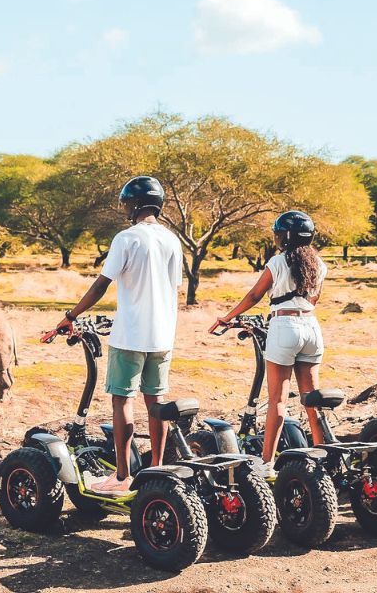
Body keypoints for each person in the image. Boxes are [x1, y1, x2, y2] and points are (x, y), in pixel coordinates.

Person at [55, 175, 183, 494]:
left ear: (135, 204)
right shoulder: (172, 240)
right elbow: (174, 287)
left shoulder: (126, 238)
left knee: (122, 401)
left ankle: (123, 476)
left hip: (130, 335)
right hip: (162, 336)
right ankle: (155, 471)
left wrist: (70, 316)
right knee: (156, 403)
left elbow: (101, 284)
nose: (125, 209)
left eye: (127, 203)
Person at [209, 211, 328, 474]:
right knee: (312, 399)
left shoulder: (278, 261)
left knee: (277, 400)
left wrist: (228, 317)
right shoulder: (319, 264)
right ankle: (323, 458)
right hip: (311, 327)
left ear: (286, 236)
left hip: (284, 326)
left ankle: (266, 463)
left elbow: (254, 295)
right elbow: (314, 299)